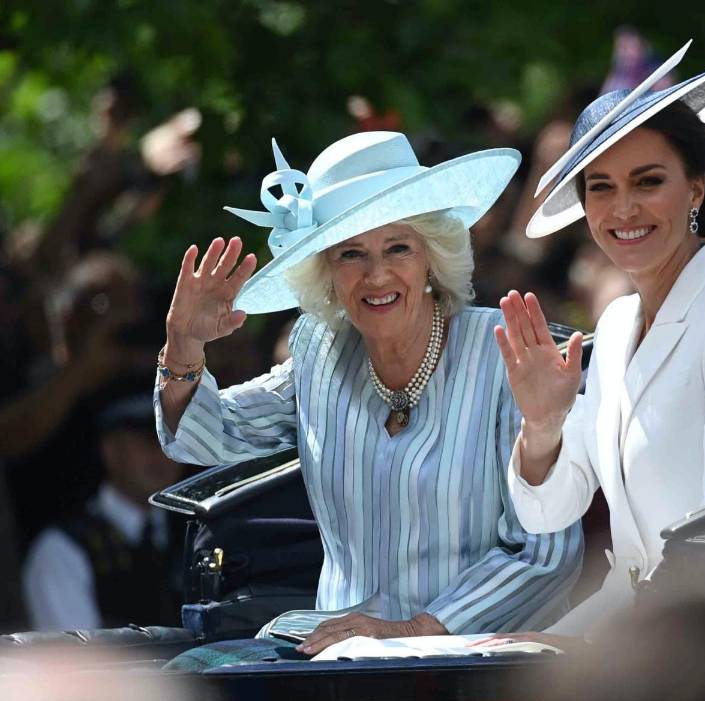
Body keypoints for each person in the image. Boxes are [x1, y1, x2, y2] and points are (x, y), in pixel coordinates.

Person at [154, 132, 583, 660]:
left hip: (481, 669)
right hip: (336, 662)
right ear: (326, 274)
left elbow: (546, 554)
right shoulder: (320, 352)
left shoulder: (503, 353)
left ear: (431, 256)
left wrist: (414, 631)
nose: (376, 274)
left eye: (398, 247)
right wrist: (184, 346)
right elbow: (210, 437)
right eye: (351, 253)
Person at [494, 43, 705, 640]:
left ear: (694, 188)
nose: (623, 209)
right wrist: (543, 425)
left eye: (648, 181)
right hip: (628, 624)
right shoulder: (613, 326)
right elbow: (549, 512)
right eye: (600, 187)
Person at [22, 394, 185, 630]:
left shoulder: (195, 532)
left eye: (171, 439)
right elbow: (78, 661)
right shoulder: (63, 549)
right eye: (145, 439)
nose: (160, 452)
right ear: (111, 450)